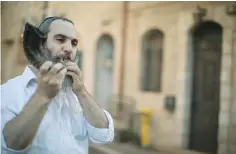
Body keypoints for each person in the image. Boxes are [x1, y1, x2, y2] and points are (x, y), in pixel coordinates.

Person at [1, 17, 114, 154]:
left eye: (74, 43)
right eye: (60, 40)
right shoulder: (8, 92)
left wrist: (81, 92)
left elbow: (104, 136)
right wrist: (42, 96)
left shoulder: (76, 95)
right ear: (40, 45)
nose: (69, 49)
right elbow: (7, 146)